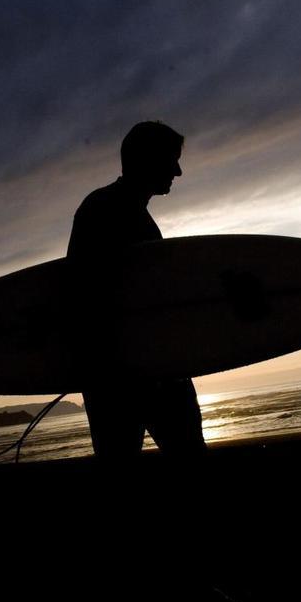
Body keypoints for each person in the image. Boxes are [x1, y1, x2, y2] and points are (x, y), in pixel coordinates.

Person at [66, 121, 207, 462]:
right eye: (171, 159)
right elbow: (86, 293)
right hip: (129, 377)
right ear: (147, 159)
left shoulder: (124, 211)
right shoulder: (106, 210)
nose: (178, 170)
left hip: (137, 372)